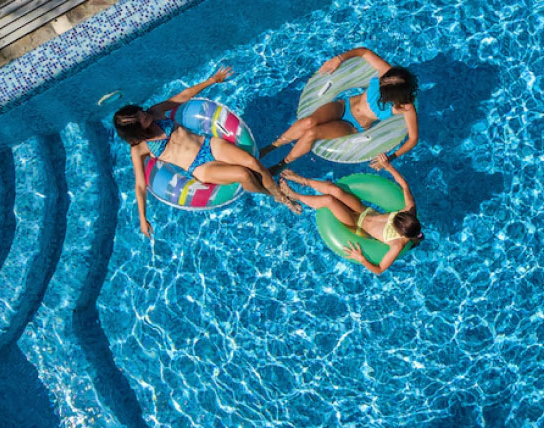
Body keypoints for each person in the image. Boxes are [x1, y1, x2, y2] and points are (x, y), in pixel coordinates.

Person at [114, 67, 299, 238]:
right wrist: (142, 218)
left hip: (209, 145)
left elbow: (183, 96)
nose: (143, 114)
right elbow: (140, 185)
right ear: (135, 131)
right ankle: (273, 195)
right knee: (243, 174)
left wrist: (211, 80)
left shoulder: (155, 112)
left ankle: (279, 193)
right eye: (139, 119)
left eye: (138, 112)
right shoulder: (139, 148)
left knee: (252, 162)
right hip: (199, 167)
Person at [261, 47, 419, 174]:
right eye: (382, 80)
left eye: (383, 86)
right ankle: (273, 146)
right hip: (344, 106)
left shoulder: (405, 107)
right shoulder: (387, 74)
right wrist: (339, 59)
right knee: (309, 122)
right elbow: (364, 52)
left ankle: (283, 163)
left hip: (354, 125)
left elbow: (413, 139)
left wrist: (390, 158)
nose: (380, 82)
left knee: (312, 133)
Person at [278, 154, 423, 274]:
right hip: (363, 210)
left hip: (355, 225)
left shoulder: (396, 245)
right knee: (336, 191)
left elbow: (379, 270)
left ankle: (296, 196)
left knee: (329, 200)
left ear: (401, 233)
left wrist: (361, 259)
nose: (395, 216)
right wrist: (388, 166)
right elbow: (404, 185)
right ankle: (303, 180)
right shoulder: (409, 209)